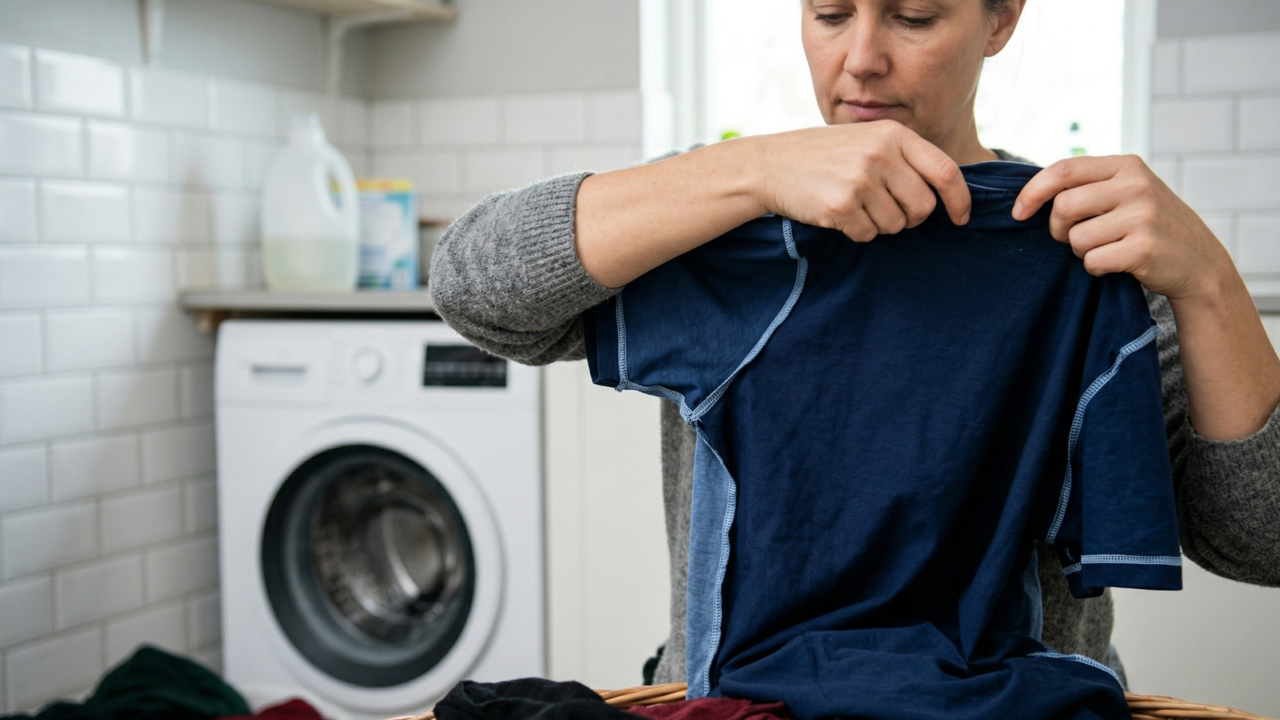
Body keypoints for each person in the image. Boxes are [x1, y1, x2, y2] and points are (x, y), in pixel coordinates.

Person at [430, 0, 1280, 687]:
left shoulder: (1077, 249)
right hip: (739, 708)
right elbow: (473, 286)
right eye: (831, 14)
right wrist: (748, 172)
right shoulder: (724, 221)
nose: (862, 58)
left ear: (1001, 19)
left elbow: (1262, 541)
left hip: (1023, 710)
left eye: (912, 17)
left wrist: (1209, 281)